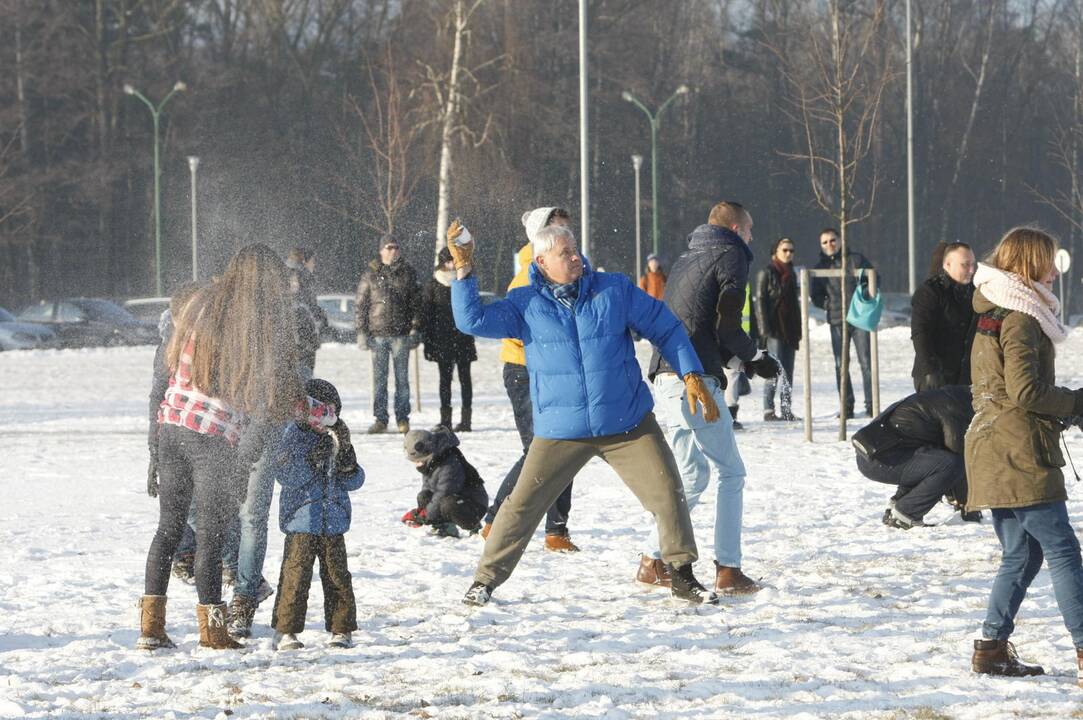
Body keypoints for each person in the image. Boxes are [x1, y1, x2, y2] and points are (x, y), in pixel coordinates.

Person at [450, 221, 720, 606]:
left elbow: (666, 326)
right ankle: (485, 581)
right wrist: (463, 271)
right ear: (541, 261)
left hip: (626, 422)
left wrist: (690, 370)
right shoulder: (525, 303)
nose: (575, 257)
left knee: (667, 492)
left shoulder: (614, 290)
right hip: (561, 429)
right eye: (565, 253)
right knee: (521, 506)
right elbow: (471, 321)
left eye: (575, 249)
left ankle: (681, 574)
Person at [138, 244, 338, 651]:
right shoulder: (260, 323)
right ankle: (213, 631)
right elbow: (279, 396)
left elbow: (166, 370)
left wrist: (153, 445)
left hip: (172, 426)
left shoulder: (198, 304)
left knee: (168, 529)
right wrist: (322, 414)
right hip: (214, 437)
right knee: (211, 538)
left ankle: (151, 628)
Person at [965, 227, 1083, 682]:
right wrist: (1075, 403)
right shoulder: (1019, 316)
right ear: (1030, 264)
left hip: (993, 445)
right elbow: (1027, 391)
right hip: (1018, 450)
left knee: (1021, 555)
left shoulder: (997, 306)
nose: (1054, 271)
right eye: (1049, 261)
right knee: (1062, 550)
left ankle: (991, 648)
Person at [643, 201, 779, 595]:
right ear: (736, 228)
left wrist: (740, 362)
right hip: (695, 381)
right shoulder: (732, 254)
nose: (752, 238)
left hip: (666, 375)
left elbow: (698, 324)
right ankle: (728, 569)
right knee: (730, 472)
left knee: (693, 475)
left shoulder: (689, 256)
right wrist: (755, 356)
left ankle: (652, 561)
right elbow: (728, 322)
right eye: (750, 230)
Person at [482, 207, 581, 553]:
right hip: (525, 371)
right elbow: (515, 327)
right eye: (557, 226)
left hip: (554, 370)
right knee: (539, 450)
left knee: (565, 447)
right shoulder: (528, 274)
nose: (566, 231)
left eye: (566, 226)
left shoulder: (566, 269)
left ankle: (556, 527)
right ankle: (496, 518)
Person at [270, 379, 362, 651]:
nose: (322, 418)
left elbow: (355, 480)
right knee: (295, 575)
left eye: (329, 412)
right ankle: (285, 630)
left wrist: (347, 460)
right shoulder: (293, 435)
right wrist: (311, 459)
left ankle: (341, 628)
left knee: (337, 576)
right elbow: (286, 475)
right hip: (302, 519)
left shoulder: (338, 436)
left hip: (334, 519)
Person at [852, 385, 978, 529]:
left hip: (871, 455)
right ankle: (906, 513)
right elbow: (956, 454)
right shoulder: (956, 407)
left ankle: (899, 505)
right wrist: (967, 506)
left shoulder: (943, 396)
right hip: (879, 460)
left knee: (931, 458)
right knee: (950, 464)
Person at [355, 235, 420, 434]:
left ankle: (403, 418)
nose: (393, 251)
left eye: (396, 247)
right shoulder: (370, 274)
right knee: (379, 380)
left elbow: (416, 303)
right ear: (381, 250)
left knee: (402, 380)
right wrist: (361, 332)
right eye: (389, 247)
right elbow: (361, 304)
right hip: (377, 334)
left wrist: (416, 328)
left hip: (401, 333)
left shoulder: (407, 272)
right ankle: (380, 419)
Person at [811, 228, 875, 418]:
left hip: (859, 319)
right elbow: (815, 295)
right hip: (837, 320)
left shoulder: (855, 259)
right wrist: (827, 304)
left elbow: (873, 279)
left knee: (866, 363)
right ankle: (847, 405)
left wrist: (863, 296)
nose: (829, 245)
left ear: (839, 241)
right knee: (840, 365)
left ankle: (871, 404)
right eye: (825, 242)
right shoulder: (820, 266)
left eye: (832, 240)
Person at [419, 247, 477, 431]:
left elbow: (473, 306)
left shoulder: (466, 280)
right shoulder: (433, 284)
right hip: (442, 339)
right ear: (442, 262)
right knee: (445, 380)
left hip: (463, 337)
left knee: (465, 379)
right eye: (448, 261)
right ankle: (446, 420)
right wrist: (427, 341)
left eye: (454, 260)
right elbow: (427, 314)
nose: (452, 264)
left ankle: (466, 419)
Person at [910, 242, 977, 391]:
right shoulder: (930, 292)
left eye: (973, 264)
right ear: (947, 264)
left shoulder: (975, 293)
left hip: (966, 377)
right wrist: (930, 370)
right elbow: (920, 333)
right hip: (936, 376)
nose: (971, 270)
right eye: (965, 265)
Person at [401, 428, 488, 538]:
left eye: (418, 461)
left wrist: (426, 515)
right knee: (424, 496)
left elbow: (444, 492)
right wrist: (419, 512)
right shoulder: (432, 461)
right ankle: (444, 526)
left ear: (427, 453)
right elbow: (428, 488)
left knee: (448, 503)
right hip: (452, 498)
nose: (417, 464)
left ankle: (474, 526)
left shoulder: (449, 463)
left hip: (473, 504)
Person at [754, 237, 801, 421]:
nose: (789, 253)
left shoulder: (793, 274)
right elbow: (760, 303)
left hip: (790, 331)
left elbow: (794, 305)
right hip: (774, 330)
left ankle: (786, 409)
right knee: (773, 370)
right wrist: (764, 330)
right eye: (785, 250)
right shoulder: (766, 273)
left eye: (791, 250)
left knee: (788, 372)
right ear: (776, 252)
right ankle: (768, 409)